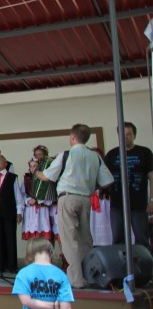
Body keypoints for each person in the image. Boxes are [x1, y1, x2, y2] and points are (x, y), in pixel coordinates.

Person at [37, 123, 114, 288]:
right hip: (86, 198)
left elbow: (47, 177)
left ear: (72, 137)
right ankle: (90, 275)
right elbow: (108, 181)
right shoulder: (95, 156)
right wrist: (90, 185)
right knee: (86, 238)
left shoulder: (66, 154)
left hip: (68, 197)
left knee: (69, 239)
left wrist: (36, 171)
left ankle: (76, 279)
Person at [104, 122, 153, 249]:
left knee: (142, 238)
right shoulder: (111, 154)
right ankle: (121, 262)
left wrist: (151, 200)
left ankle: (143, 262)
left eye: (129, 134)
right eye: (122, 134)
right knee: (118, 239)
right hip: (117, 205)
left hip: (139, 205)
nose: (125, 137)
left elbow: (152, 177)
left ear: (134, 135)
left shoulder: (145, 152)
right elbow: (104, 178)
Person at [0, 155, 24, 274]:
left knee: (10, 238)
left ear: (5, 164)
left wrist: (19, 211)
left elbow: (18, 195)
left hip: (9, 212)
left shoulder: (12, 177)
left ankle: (12, 265)